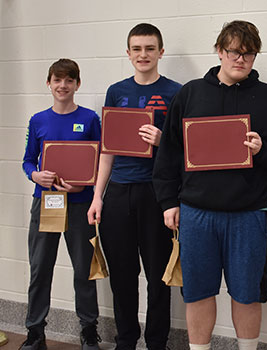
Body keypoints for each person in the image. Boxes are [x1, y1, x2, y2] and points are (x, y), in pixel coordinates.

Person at [152, 20, 267, 350]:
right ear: (219, 51)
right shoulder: (190, 94)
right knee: (198, 291)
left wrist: (263, 149)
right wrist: (168, 203)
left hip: (248, 215)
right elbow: (168, 155)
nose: (241, 59)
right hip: (196, 214)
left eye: (248, 54)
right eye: (234, 51)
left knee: (247, 294)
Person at [87, 23, 182, 350]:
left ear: (160, 52)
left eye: (150, 48)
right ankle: (125, 341)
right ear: (128, 53)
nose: (144, 54)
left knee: (159, 278)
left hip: (157, 194)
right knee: (123, 278)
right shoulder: (117, 91)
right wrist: (98, 196)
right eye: (137, 49)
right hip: (119, 194)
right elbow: (107, 150)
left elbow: (188, 149)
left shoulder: (176, 92)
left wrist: (163, 140)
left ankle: (157, 343)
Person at [21, 59, 102, 350]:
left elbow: (100, 162)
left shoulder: (91, 119)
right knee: (40, 268)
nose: (62, 86)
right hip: (46, 203)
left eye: (69, 81)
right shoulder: (38, 120)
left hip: (80, 204)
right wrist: (35, 175)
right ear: (49, 84)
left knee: (83, 270)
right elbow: (27, 160)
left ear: (77, 84)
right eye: (57, 80)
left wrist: (86, 186)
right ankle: (35, 331)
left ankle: (89, 330)